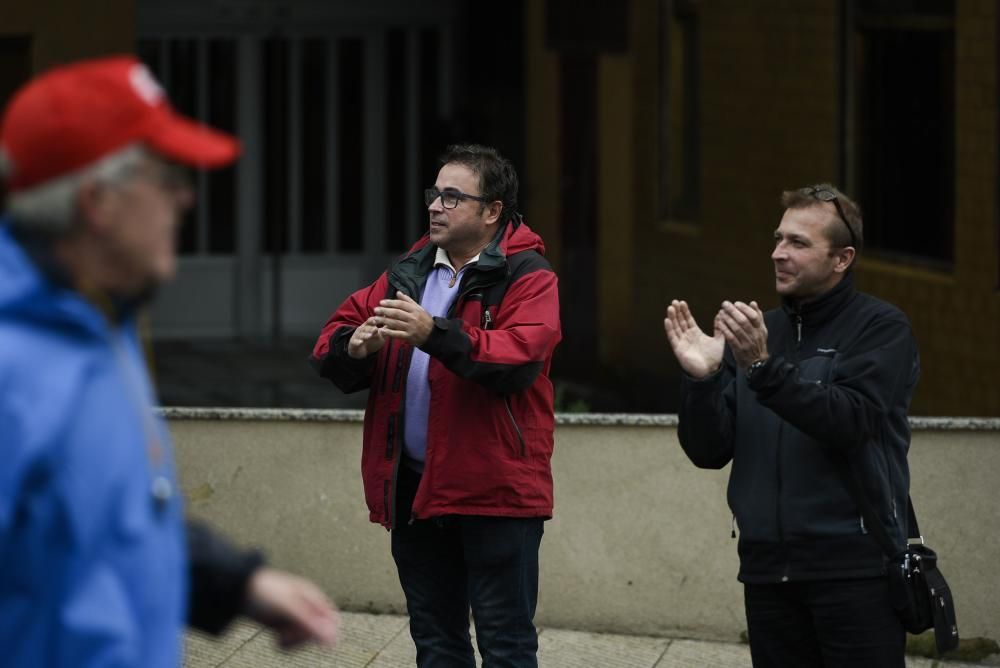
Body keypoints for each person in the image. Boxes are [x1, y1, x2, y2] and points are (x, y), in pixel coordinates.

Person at [0, 55, 339, 667]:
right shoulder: (13, 368)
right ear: (98, 202)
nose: (185, 199)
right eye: (167, 179)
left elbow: (113, 516)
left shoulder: (101, 321)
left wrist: (237, 584)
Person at [311, 144, 561, 667]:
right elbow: (336, 331)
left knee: (506, 643)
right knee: (436, 641)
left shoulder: (528, 274)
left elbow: (518, 358)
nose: (435, 207)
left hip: (494, 491)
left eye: (452, 197)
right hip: (414, 486)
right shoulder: (412, 268)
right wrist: (354, 349)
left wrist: (435, 332)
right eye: (434, 194)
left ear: (492, 210)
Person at [663, 184, 919, 668]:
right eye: (779, 239)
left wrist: (762, 368)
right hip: (766, 572)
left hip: (854, 572)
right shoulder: (762, 333)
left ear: (842, 258)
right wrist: (703, 380)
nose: (778, 253)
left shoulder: (881, 329)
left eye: (798, 243)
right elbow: (709, 450)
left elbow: (851, 420)